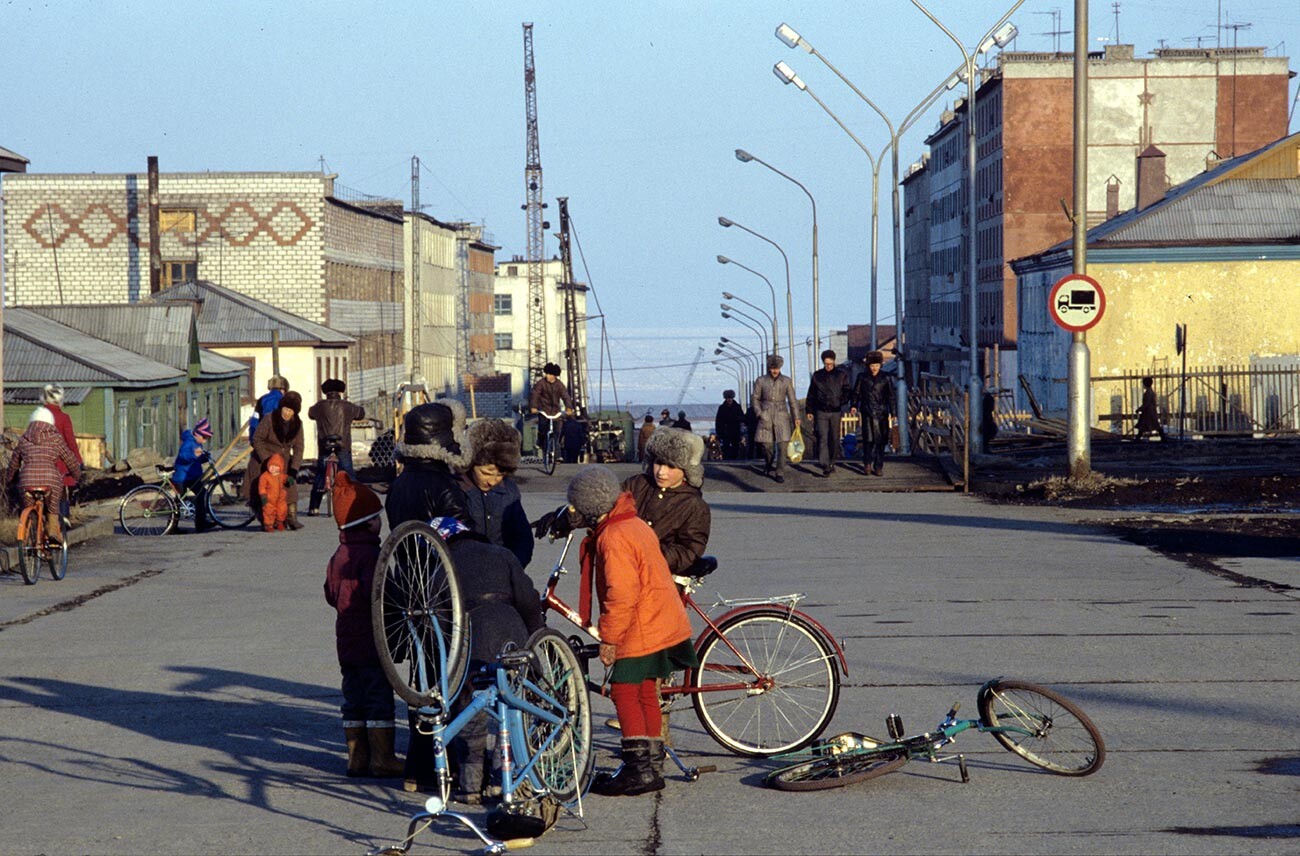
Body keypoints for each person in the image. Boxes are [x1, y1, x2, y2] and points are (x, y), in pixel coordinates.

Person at [566, 465, 697, 797]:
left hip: (641, 625)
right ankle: (652, 765)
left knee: (624, 691)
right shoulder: (633, 523)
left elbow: (621, 594)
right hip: (662, 619)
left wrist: (609, 638)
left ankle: (638, 770)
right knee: (646, 691)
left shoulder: (613, 537)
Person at [382, 398, 471, 793]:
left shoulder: (399, 485)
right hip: (442, 592)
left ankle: (416, 767)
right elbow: (463, 539)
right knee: (450, 680)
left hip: (407, 589)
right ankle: (446, 764)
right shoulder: (445, 486)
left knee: (421, 680)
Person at [429, 516, 545, 804]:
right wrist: (537, 639)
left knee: (469, 710)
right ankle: (501, 778)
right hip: (510, 629)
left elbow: (438, 618)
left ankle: (469, 787)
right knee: (512, 706)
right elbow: (529, 600)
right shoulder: (502, 554)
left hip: (470, 635)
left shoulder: (441, 565)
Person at [323, 471, 403, 779]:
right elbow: (381, 593)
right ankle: (382, 757)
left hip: (346, 640)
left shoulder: (338, 555)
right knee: (378, 698)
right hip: (372, 641)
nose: (380, 521)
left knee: (353, 699)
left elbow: (330, 593)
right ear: (368, 522)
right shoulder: (372, 555)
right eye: (377, 516)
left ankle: (356, 757)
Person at [462, 418, 533, 569]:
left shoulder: (509, 491)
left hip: (503, 569)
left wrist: (515, 566)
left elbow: (523, 536)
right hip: (465, 571)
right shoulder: (457, 489)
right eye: (486, 473)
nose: (492, 481)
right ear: (471, 464)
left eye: (500, 475)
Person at [5, 410, 82, 545]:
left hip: (27, 480)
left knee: (27, 507)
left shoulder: (24, 439)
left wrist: (10, 478)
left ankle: (29, 532)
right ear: (50, 423)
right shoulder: (56, 439)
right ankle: (52, 529)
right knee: (52, 506)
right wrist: (77, 475)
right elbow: (70, 459)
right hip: (50, 479)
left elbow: (14, 463)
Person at [246, 390, 305, 528]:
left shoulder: (297, 425)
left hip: (284, 461)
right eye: (285, 409)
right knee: (261, 491)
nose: (287, 413)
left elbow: (298, 448)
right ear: (281, 407)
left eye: (290, 410)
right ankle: (265, 519)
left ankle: (291, 517)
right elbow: (257, 439)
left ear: (295, 412)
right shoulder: (269, 419)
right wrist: (267, 460)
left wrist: (294, 469)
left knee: (289, 488)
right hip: (264, 460)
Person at [307, 378, 366, 516]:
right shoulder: (347, 406)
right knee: (349, 473)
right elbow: (361, 413)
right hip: (343, 444)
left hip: (324, 444)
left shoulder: (319, 406)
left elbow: (310, 414)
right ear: (340, 392)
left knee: (320, 474)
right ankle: (357, 503)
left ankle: (314, 507)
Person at [33, 384, 82, 523]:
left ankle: (40, 523)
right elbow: (71, 442)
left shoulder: (37, 416)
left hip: (38, 462)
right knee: (61, 494)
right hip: (58, 463)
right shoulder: (63, 417)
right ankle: (62, 526)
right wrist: (78, 461)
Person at [752, 354, 800, 483]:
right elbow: (755, 398)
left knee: (783, 445)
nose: (775, 371)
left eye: (777, 368)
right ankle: (768, 463)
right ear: (769, 368)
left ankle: (780, 472)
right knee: (767, 446)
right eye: (773, 368)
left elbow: (792, 400)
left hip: (781, 415)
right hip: (766, 414)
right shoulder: (761, 381)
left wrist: (796, 417)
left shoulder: (786, 381)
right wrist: (759, 413)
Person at [805, 350, 851, 477]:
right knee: (822, 437)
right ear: (823, 362)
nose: (828, 366)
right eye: (826, 364)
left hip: (835, 411)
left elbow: (847, 391)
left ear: (834, 362)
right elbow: (811, 394)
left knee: (834, 438)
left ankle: (832, 461)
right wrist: (809, 410)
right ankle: (825, 464)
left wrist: (840, 402)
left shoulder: (842, 375)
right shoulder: (817, 376)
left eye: (830, 364)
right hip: (821, 411)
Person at [851, 351, 895, 477]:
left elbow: (891, 396)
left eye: (876, 365)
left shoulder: (886, 377)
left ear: (880, 365)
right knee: (868, 440)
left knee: (881, 440)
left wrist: (894, 412)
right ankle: (867, 463)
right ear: (868, 366)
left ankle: (879, 465)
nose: (874, 368)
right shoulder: (862, 377)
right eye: (872, 365)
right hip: (867, 412)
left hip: (882, 413)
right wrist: (854, 405)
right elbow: (856, 393)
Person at [173, 417, 215, 532]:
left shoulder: (196, 443)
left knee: (202, 494)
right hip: (183, 476)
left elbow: (195, 459)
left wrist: (203, 458)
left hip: (192, 476)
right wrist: (194, 455)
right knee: (179, 502)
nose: (205, 440)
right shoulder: (189, 442)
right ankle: (172, 526)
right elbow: (184, 457)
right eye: (205, 437)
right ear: (197, 435)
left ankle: (201, 522)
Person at [529, 362, 573, 456]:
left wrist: (568, 407)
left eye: (550, 374)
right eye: (547, 374)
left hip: (555, 412)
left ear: (555, 376)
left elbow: (566, 396)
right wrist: (534, 407)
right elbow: (535, 395)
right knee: (542, 429)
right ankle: (540, 441)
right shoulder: (541, 383)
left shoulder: (559, 385)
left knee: (557, 433)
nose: (548, 376)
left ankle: (557, 455)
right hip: (544, 411)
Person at [249, 375, 289, 442]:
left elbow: (254, 421)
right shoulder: (285, 401)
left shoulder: (261, 400)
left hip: (262, 439)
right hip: (278, 441)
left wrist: (252, 440)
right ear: (283, 389)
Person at [258, 453, 290, 532]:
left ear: (280, 468)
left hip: (280, 498)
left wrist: (289, 480)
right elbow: (262, 486)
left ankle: (279, 522)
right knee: (269, 511)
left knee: (282, 510)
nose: (273, 468)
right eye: (271, 466)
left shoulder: (281, 475)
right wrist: (263, 495)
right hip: (269, 498)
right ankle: (269, 525)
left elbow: (286, 478)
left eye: (276, 467)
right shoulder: (265, 476)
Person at [715, 390, 743, 460]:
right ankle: (726, 459)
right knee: (726, 446)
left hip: (735, 430)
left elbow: (742, 417)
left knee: (735, 447)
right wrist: (719, 432)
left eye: (730, 398)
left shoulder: (737, 407)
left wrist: (739, 420)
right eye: (728, 398)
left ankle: (734, 459)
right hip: (725, 431)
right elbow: (718, 421)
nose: (729, 400)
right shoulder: (722, 408)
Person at [1135, 376, 1165, 440]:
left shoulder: (1148, 393)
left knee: (1152, 424)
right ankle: (1138, 437)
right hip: (1149, 411)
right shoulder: (1150, 392)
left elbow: (1146, 403)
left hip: (1149, 411)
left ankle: (1138, 437)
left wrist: (1140, 409)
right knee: (1146, 424)